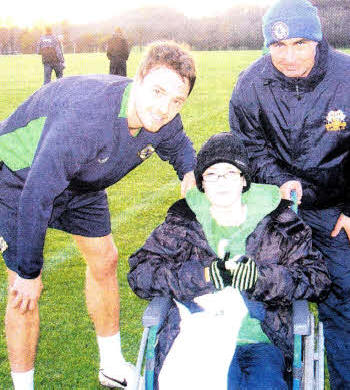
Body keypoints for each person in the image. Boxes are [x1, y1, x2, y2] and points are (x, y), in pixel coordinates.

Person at [0, 40, 197, 389]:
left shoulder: (164, 118)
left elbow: (178, 144)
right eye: (157, 91)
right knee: (24, 288)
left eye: (176, 100)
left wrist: (189, 171)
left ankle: (111, 365)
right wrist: (29, 273)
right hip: (18, 177)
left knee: (105, 259)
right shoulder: (87, 120)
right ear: (137, 79)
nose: (164, 107)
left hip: (82, 182)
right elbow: (36, 196)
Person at [128, 132, 330, 390]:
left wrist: (261, 278)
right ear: (201, 182)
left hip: (263, 340)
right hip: (200, 337)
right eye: (212, 174)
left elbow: (317, 278)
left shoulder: (279, 223)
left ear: (244, 179)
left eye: (231, 173)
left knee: (265, 384)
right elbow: (141, 273)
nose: (221, 181)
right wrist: (202, 276)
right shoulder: (183, 222)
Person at [229, 0, 350, 388]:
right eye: (278, 46)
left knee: (344, 300)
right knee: (268, 295)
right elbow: (249, 146)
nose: (289, 56)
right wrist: (278, 180)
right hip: (276, 209)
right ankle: (279, 377)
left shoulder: (347, 77)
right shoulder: (250, 84)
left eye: (300, 43)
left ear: (318, 40)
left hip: (335, 210)